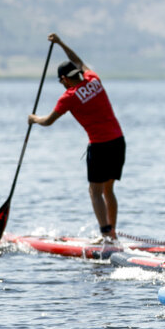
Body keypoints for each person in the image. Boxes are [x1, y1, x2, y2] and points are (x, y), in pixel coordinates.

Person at [27, 33, 124, 240]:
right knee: (108, 190)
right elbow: (79, 61)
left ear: (63, 79)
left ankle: (106, 236)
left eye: (61, 81)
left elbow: (48, 121)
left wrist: (33, 119)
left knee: (94, 191)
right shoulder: (94, 79)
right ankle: (112, 233)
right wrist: (61, 43)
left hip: (99, 146)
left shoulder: (68, 98)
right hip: (118, 141)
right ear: (78, 73)